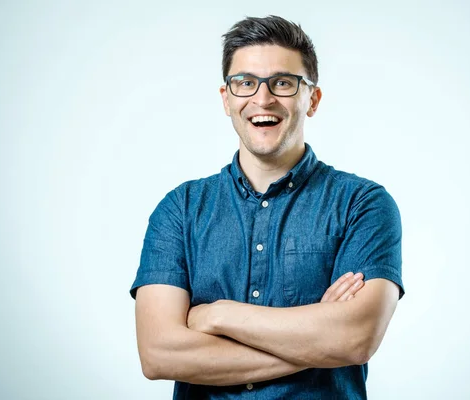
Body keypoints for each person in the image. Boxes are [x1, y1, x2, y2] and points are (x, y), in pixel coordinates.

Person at [129, 15, 404, 399]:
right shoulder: (180, 209)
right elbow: (158, 354)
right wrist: (318, 343)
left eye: (283, 83)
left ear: (313, 99)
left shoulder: (363, 205)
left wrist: (216, 315)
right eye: (245, 83)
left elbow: (355, 338)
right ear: (226, 99)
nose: (263, 99)